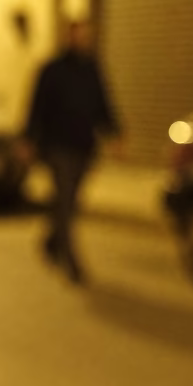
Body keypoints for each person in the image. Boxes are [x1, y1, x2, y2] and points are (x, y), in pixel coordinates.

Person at [22, 20, 121, 284]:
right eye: (78, 35)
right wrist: (28, 140)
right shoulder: (51, 70)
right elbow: (36, 107)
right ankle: (71, 261)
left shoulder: (91, 69)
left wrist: (114, 133)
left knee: (71, 201)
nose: (82, 39)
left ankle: (51, 240)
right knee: (65, 199)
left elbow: (103, 103)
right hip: (57, 146)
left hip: (84, 146)